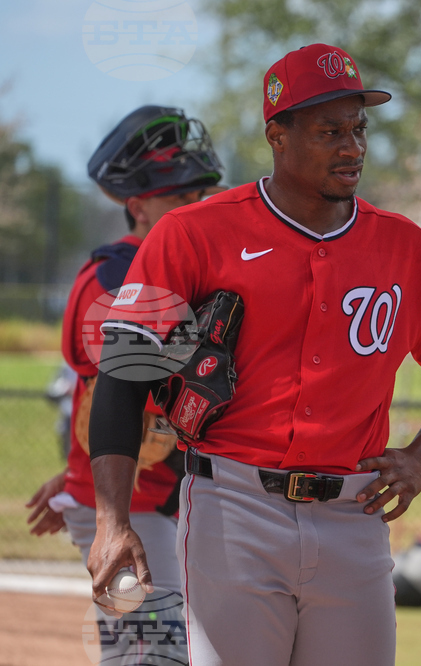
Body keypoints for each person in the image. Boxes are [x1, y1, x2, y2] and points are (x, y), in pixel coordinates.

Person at [85, 43, 421, 666]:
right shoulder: (196, 232)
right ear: (277, 135)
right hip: (234, 508)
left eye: (359, 129)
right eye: (330, 131)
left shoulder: (406, 248)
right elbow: (124, 370)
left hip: (356, 516)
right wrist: (112, 520)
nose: (352, 147)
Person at [25, 105, 225, 664]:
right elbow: (116, 394)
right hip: (127, 509)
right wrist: (83, 483)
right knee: (150, 656)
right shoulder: (116, 277)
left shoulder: (195, 266)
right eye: (179, 197)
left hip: (163, 499)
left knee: (161, 653)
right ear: (137, 206)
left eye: (202, 193)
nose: (196, 207)